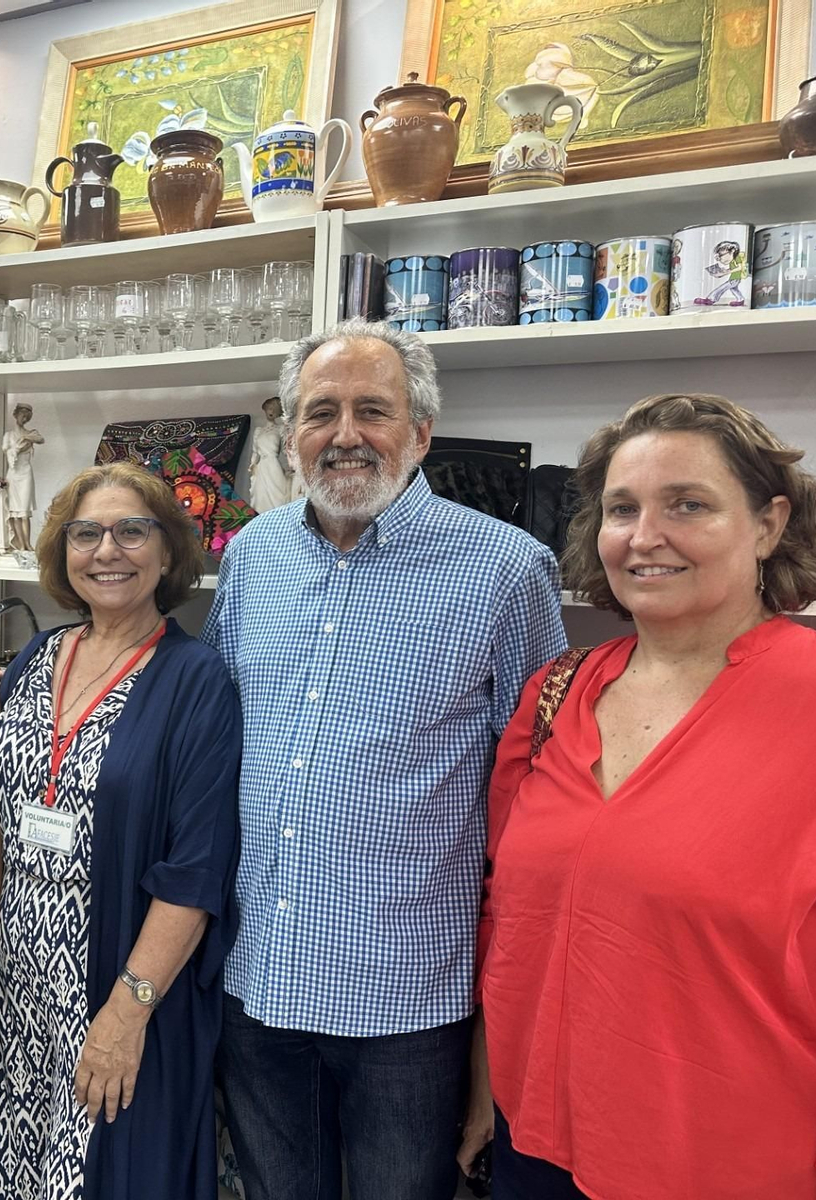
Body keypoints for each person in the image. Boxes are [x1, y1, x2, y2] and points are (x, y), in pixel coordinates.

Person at [479, 393, 816, 1200]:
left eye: (688, 505)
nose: (645, 537)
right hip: (538, 1145)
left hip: (740, 1164)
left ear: (769, 524)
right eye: (621, 508)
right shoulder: (554, 695)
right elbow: (506, 917)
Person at [204, 318, 566, 1200]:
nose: (346, 434)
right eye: (320, 412)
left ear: (422, 432)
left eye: (374, 409)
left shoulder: (508, 570)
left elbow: (537, 792)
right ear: (291, 435)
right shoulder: (251, 557)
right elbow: (218, 744)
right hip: (259, 982)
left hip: (408, 999)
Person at [0, 462, 242, 1200]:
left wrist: (125, 1014)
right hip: (18, 992)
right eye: (87, 533)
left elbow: (196, 871)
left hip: (121, 991)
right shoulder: (36, 658)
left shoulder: (196, 681)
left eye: (134, 531)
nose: (108, 550)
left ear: (168, 554)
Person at [4, 402, 45, 552]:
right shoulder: (9, 435)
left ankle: (28, 544)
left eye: (27, 417)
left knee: (25, 511)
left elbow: (41, 439)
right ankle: (20, 545)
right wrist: (20, 445)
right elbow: (7, 450)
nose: (24, 419)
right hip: (13, 474)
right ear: (16, 415)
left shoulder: (31, 434)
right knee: (15, 512)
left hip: (25, 472)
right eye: (22, 415)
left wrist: (26, 438)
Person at [247, 395, 292, 512]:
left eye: (274, 409)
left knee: (279, 494)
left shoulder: (280, 429)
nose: (271, 411)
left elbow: (285, 450)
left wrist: (292, 465)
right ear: (265, 410)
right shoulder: (258, 431)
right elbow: (255, 452)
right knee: (260, 496)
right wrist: (252, 465)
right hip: (261, 467)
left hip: (273, 465)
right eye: (269, 408)